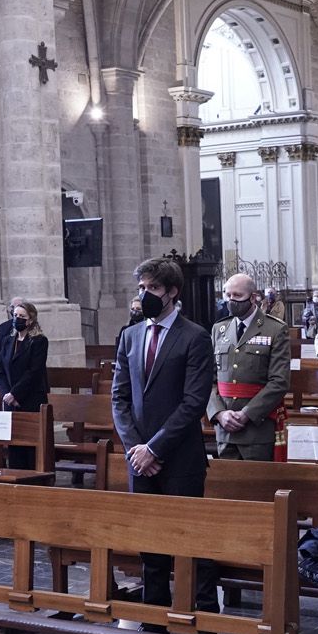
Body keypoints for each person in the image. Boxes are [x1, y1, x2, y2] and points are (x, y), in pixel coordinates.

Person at [112, 256, 215, 612]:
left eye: (152, 288)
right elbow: (119, 398)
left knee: (191, 543)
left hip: (180, 458)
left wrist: (154, 449)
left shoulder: (195, 337)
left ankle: (202, 620)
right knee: (149, 544)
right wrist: (135, 449)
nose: (145, 295)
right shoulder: (130, 336)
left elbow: (192, 403)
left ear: (172, 292)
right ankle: (153, 616)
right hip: (139, 460)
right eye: (141, 288)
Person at [208, 273, 291, 460]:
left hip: (257, 429)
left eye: (237, 296)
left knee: (258, 487)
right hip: (225, 429)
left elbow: (279, 381)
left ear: (253, 297)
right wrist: (219, 413)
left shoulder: (275, 329)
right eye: (227, 295)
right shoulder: (219, 329)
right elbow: (209, 379)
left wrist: (247, 414)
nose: (231, 300)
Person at [0, 298, 48, 469]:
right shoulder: (8, 340)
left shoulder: (38, 341)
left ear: (30, 320)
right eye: (15, 315)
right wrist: (8, 394)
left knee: (29, 447)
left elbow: (34, 372)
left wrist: (15, 394)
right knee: (14, 444)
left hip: (30, 399)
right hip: (10, 401)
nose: (17, 319)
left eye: (22, 316)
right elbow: (0, 368)